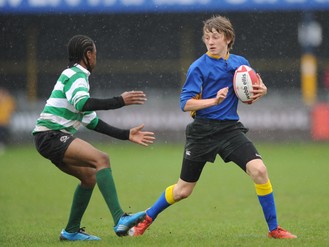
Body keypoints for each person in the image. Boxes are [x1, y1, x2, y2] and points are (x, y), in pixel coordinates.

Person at [130, 15, 296, 239]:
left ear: (227, 38)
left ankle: (274, 229)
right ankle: (146, 219)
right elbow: (185, 103)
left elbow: (255, 85)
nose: (210, 41)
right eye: (207, 37)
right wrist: (213, 101)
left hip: (230, 130)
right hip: (202, 131)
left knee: (259, 170)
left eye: (215, 37)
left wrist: (262, 90)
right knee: (183, 191)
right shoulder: (198, 67)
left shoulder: (240, 63)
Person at [32, 35, 155, 241]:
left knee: (89, 177)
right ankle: (120, 219)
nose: (96, 58)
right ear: (88, 55)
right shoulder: (76, 75)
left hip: (49, 138)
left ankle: (70, 231)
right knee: (101, 159)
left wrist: (126, 134)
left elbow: (92, 121)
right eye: (95, 54)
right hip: (51, 136)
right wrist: (120, 101)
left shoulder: (75, 78)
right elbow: (82, 104)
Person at [0, 87, 16, 154]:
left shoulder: (8, 101)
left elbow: (11, 109)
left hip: (5, 122)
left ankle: (2, 145)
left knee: (3, 135)